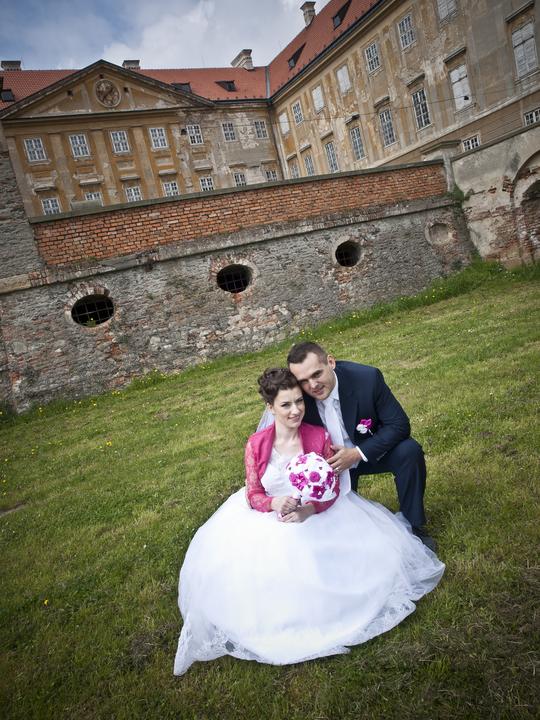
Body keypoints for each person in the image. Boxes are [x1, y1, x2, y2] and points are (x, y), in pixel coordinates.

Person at [173, 368, 444, 676]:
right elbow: (253, 493)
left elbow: (332, 489)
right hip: (267, 519)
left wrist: (309, 510)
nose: (296, 410)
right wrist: (274, 503)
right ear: (270, 408)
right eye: (286, 404)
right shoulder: (257, 444)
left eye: (299, 402)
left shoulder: (317, 436)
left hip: (314, 516)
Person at [287, 341, 435, 550]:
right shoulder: (298, 398)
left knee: (408, 451)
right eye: (303, 381)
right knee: (342, 535)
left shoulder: (367, 378)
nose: (312, 385)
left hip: (366, 452)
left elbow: (399, 424)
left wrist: (357, 454)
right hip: (329, 467)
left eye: (317, 374)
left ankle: (415, 525)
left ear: (331, 362)